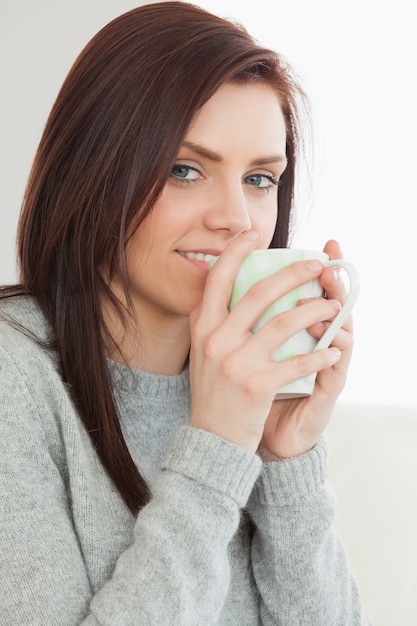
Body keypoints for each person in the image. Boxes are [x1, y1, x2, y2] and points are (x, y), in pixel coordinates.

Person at [0, 2, 370, 624]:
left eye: (260, 179)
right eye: (184, 169)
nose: (237, 218)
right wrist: (217, 448)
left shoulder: (247, 381)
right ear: (93, 174)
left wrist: (284, 460)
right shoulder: (15, 380)